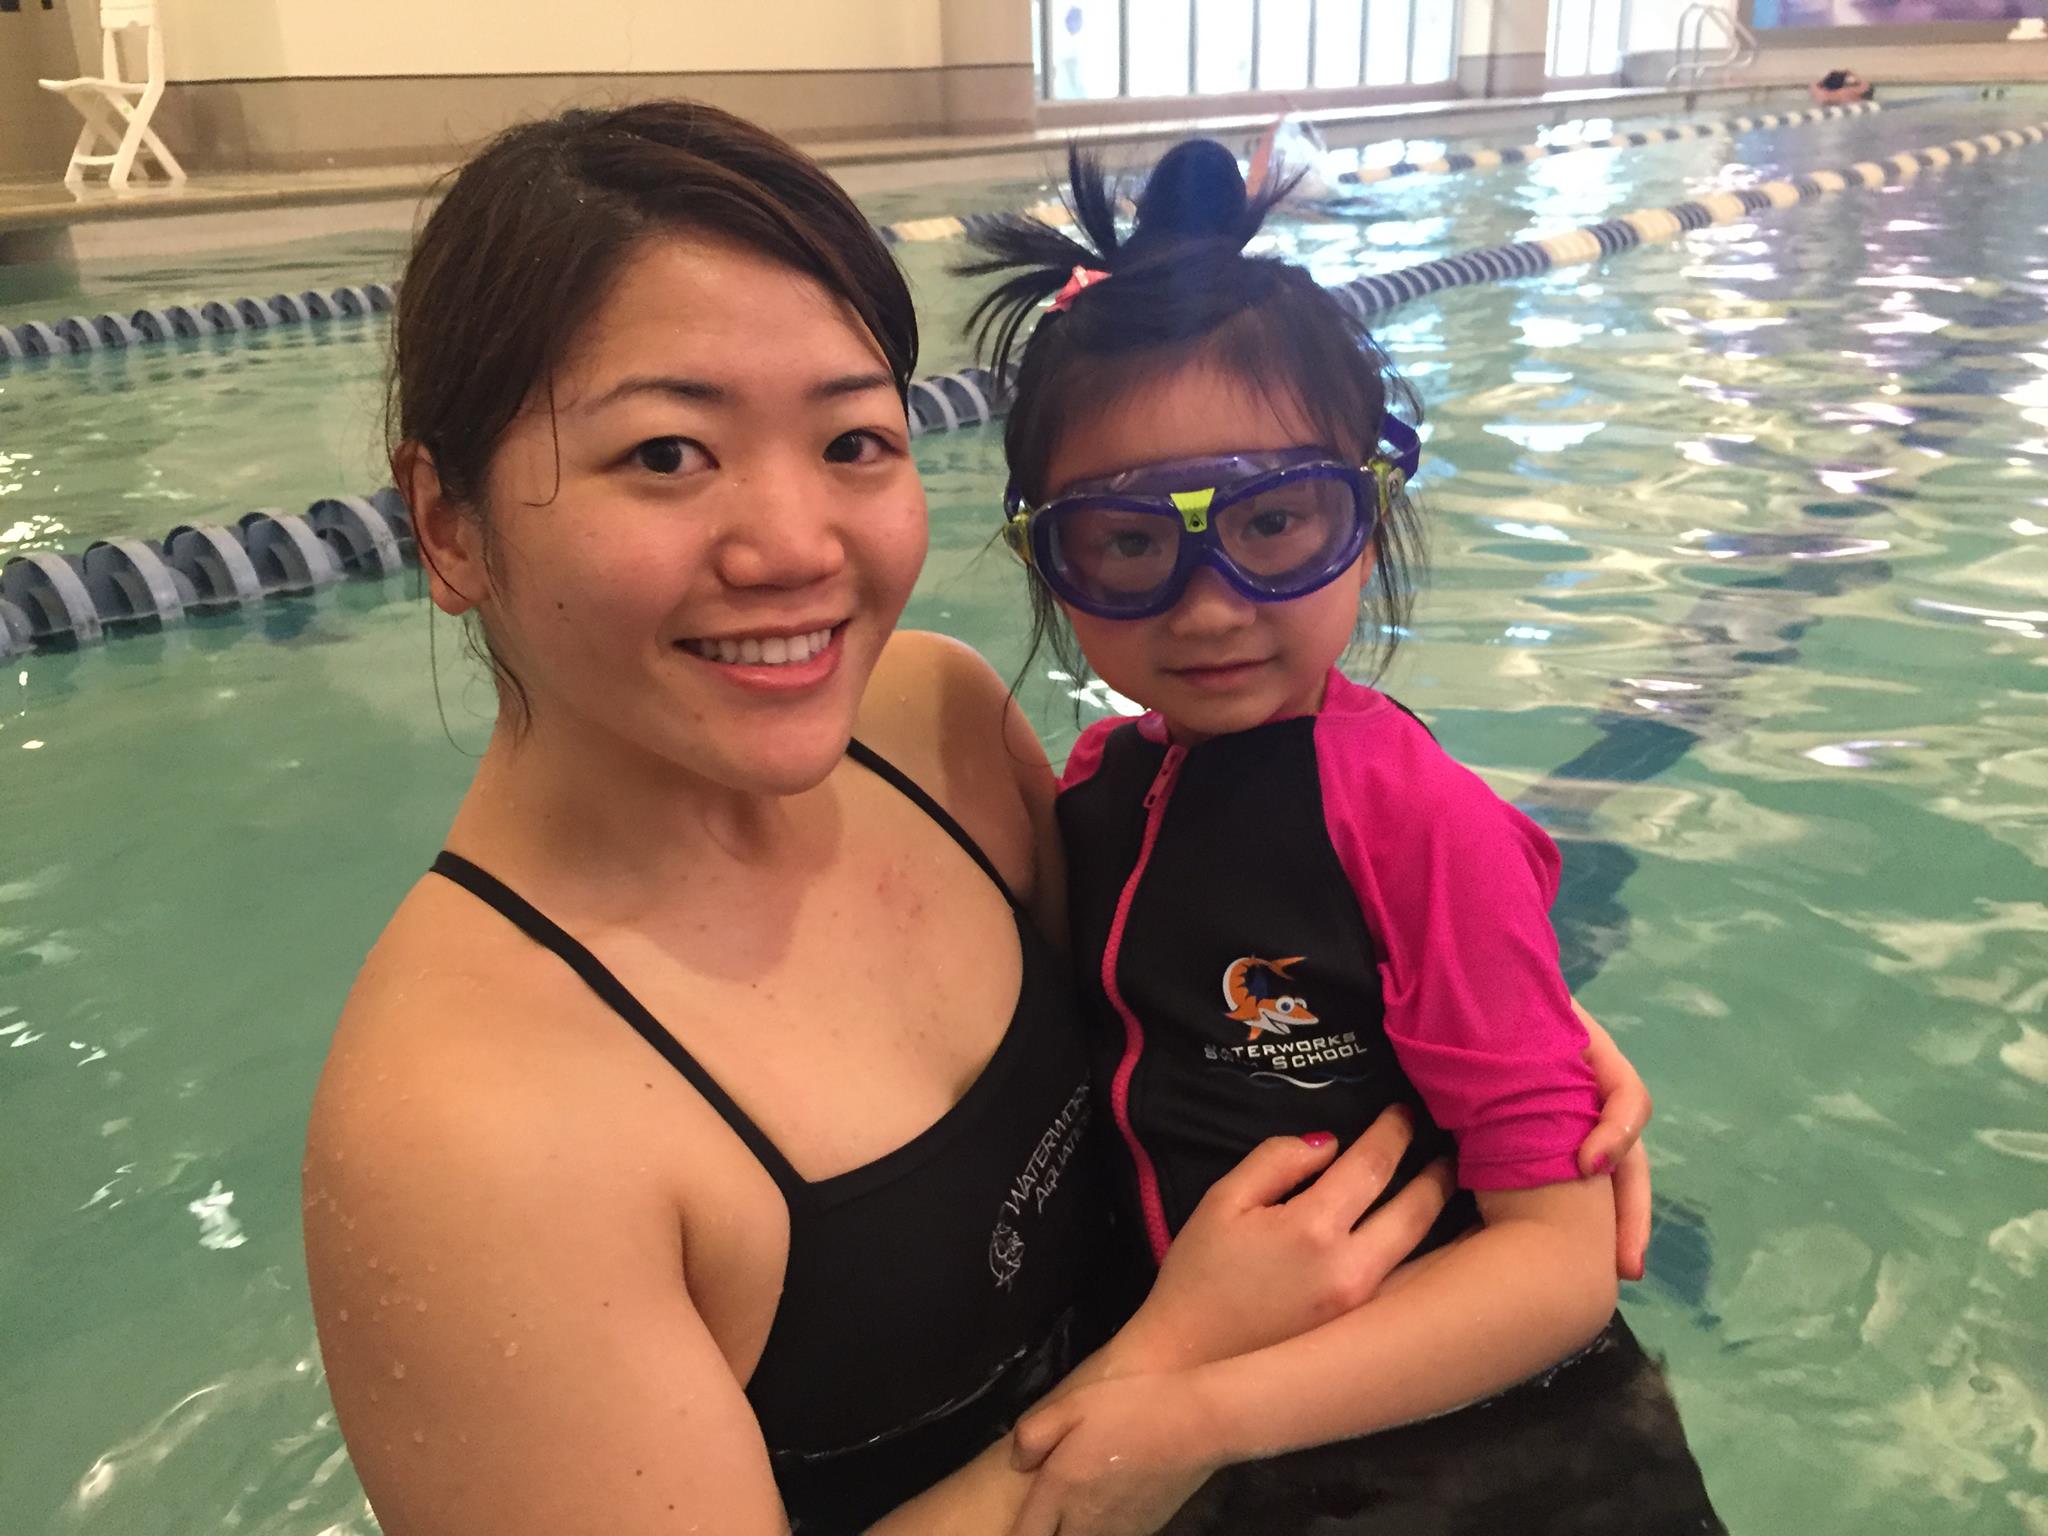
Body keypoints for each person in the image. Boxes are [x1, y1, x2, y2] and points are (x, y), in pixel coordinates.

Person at [304, 102, 1662, 1536]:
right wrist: (1174, 1361)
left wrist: (1501, 1028)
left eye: (851, 439)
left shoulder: (930, 726)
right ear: (445, 524)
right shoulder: (462, 1135)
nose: (794, 548)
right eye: (666, 455)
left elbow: (1194, 977)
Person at [961, 138, 1724, 1535]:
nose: (1207, 603)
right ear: (1047, 559)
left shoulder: (1414, 820)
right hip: (1227, 1423)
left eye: (1272, 522)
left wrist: (1201, 1412)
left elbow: (1556, 1272)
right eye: (1126, 542)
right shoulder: (1096, 787)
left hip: (1502, 1455)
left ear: (1365, 517)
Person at [1810, 67, 1875, 104]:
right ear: (1843, 83)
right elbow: (1867, 86)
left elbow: (1814, 84)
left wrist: (1826, 78)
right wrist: (1853, 74)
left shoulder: (1819, 93)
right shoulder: (1847, 92)